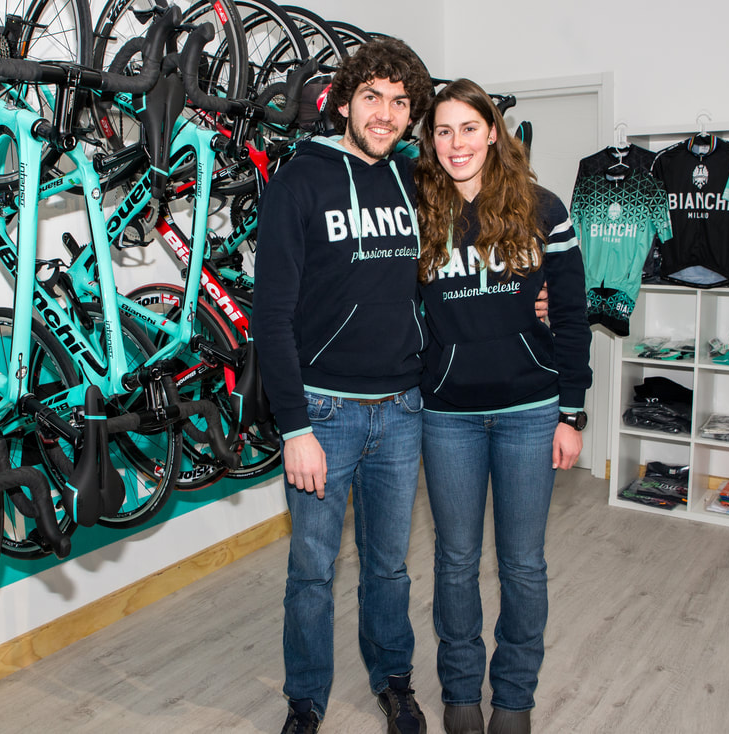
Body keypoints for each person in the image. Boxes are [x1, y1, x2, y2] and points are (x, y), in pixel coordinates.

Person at [252, 37, 434, 734]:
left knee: (389, 569)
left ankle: (393, 682)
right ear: (346, 102)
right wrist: (294, 427)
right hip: (325, 413)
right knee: (313, 573)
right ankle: (306, 699)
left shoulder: (413, 182)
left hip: (403, 407)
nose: (385, 114)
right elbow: (272, 314)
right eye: (373, 98)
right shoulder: (302, 180)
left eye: (399, 102)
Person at [412, 79, 592, 734]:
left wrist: (573, 412)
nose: (456, 143)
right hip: (446, 414)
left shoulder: (544, 211)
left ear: (493, 131)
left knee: (522, 563)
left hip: (530, 410)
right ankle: (461, 693)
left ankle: (514, 699)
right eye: (442, 130)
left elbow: (572, 316)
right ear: (430, 142)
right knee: (456, 562)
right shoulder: (417, 214)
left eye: (468, 127)